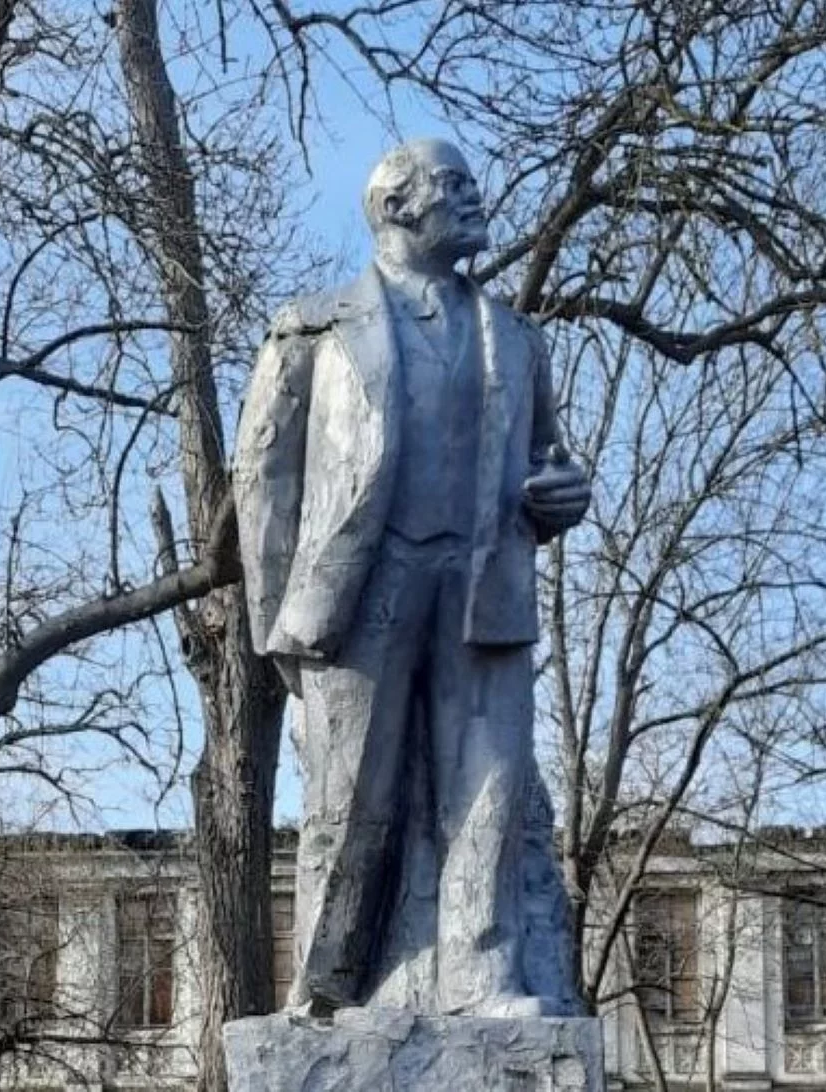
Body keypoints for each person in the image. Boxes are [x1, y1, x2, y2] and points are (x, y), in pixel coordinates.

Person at [233, 139, 590, 1017]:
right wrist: (280, 620)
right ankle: (328, 985)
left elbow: (548, 461)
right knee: (350, 797)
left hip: (482, 585)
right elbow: (264, 481)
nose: (474, 198)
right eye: (453, 185)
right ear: (395, 206)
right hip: (362, 589)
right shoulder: (312, 330)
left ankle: (483, 978)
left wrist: (561, 495)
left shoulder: (516, 338)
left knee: (487, 790)